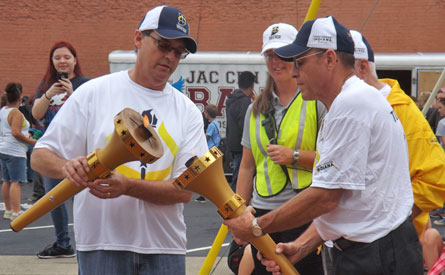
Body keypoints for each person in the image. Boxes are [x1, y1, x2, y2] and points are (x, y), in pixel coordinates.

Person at [224, 16, 423, 275]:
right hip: (374, 249)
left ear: (330, 59)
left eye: (301, 62)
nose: (294, 71)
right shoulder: (348, 103)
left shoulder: (350, 106)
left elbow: (326, 198)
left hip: (376, 254)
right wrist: (302, 246)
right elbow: (343, 199)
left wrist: (257, 226)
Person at [31, 5, 207, 274]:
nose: (170, 57)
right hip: (101, 244)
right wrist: (66, 167)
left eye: (178, 52)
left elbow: (184, 191)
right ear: (138, 39)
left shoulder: (188, 111)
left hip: (164, 247)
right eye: (163, 45)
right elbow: (40, 155)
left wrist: (126, 186)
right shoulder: (93, 93)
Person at [233, 22, 326, 274]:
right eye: (270, 55)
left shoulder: (316, 102)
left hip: (303, 212)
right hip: (263, 215)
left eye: (283, 54)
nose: (276, 61)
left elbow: (333, 162)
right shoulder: (254, 109)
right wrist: (239, 213)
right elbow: (246, 166)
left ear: (296, 56)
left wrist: (294, 156)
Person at [350, 29, 445, 273]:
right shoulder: (344, 109)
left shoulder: (401, 111)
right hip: (349, 245)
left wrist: (390, 221)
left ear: (361, 67)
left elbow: (437, 178)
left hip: (388, 249)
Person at [31, 40, 90, 259]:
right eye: (57, 58)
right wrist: (47, 95)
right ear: (52, 62)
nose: (62, 61)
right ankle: (63, 243)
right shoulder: (46, 84)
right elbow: (36, 114)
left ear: (75, 60)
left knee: (82, 200)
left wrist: (72, 93)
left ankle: (86, 242)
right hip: (52, 153)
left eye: (67, 57)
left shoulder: (86, 84)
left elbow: (91, 113)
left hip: (78, 150)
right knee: (53, 199)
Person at [1, 82, 36, 220]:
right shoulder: (16, 113)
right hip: (15, 151)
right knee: (16, 182)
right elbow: (15, 132)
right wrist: (31, 141)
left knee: (7, 180)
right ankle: (16, 212)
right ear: (20, 97)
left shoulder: (3, 110)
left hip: (4, 149)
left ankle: (9, 210)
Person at [225, 71, 255, 192]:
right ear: (252, 85)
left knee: (237, 176)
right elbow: (245, 127)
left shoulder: (232, 99)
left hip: (232, 144)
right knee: (239, 180)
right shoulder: (245, 102)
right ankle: (234, 206)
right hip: (242, 146)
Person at [195, 104, 221, 203]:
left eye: (205, 112)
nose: (204, 114)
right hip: (215, 150)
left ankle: (204, 195)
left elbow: (205, 139)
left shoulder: (211, 126)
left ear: (208, 114)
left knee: (205, 173)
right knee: (212, 173)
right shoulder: (216, 123)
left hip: (210, 151)